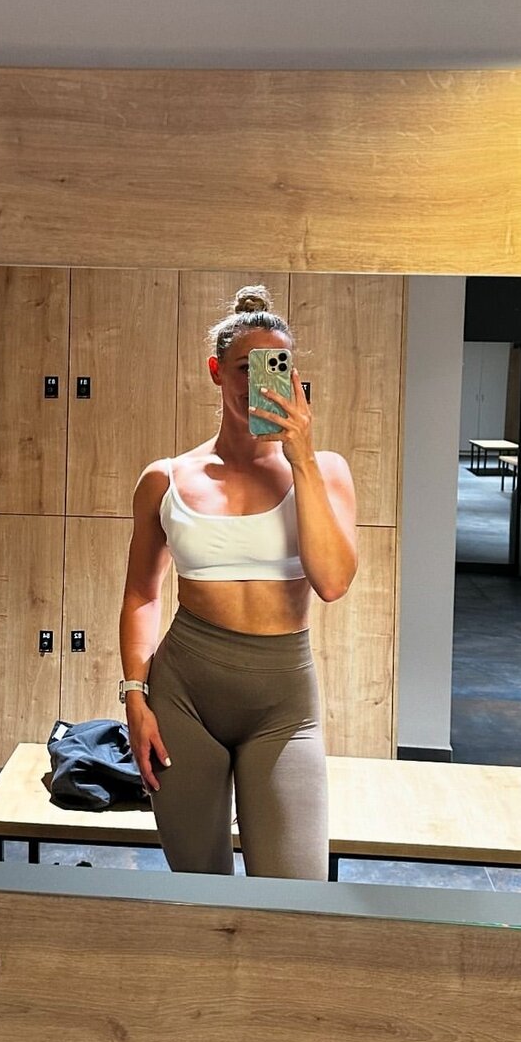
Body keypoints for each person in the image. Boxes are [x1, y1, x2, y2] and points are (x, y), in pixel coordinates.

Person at [118, 285, 357, 880]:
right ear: (216, 372)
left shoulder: (325, 471)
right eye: (245, 368)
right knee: (200, 889)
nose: (259, 384)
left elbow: (332, 582)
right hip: (182, 695)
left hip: (284, 701)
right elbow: (142, 594)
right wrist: (135, 698)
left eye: (275, 368)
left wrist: (301, 457)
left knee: (294, 894)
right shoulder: (166, 478)